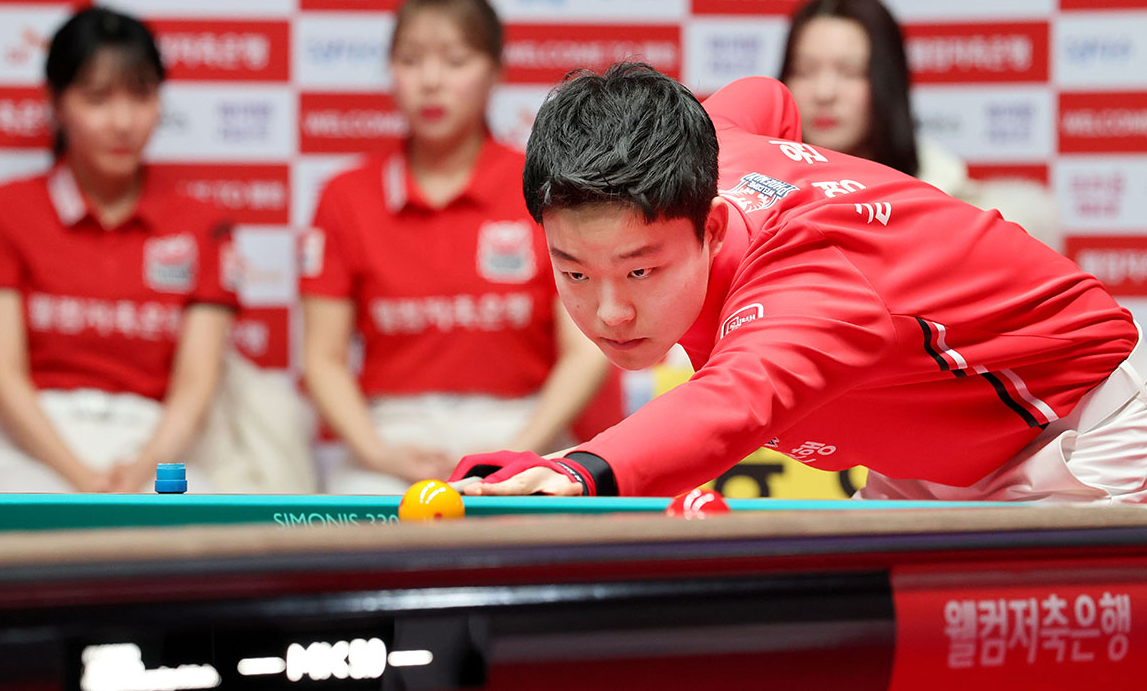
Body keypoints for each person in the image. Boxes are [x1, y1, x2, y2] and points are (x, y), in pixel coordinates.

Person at [450, 62, 1147, 503]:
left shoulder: (808, 287)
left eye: (641, 269)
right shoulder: (709, 151)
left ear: (714, 231)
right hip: (929, 463)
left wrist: (578, 471)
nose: (609, 310)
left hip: (1086, 428)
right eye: (573, 271)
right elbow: (764, 97)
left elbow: (730, 406)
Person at [300, 0, 611, 495]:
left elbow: (585, 352)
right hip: (389, 438)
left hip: (524, 428)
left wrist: (519, 450)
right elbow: (322, 358)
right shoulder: (345, 196)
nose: (430, 81)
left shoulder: (548, 187)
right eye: (410, 59)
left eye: (456, 60)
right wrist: (379, 452)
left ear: (496, 72)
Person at [0, 6, 238, 493]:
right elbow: (3, 376)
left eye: (142, 95)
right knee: (15, 527)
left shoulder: (202, 223)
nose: (123, 121)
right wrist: (81, 478)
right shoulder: (1, 210)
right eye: (97, 98)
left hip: (156, 446)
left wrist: (145, 466)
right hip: (34, 445)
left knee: (194, 527)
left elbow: (195, 386)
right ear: (56, 103)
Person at [778, 0, 1063, 251]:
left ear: (886, 80)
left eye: (852, 72)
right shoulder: (748, 206)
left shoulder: (962, 216)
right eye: (804, 70)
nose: (824, 93)